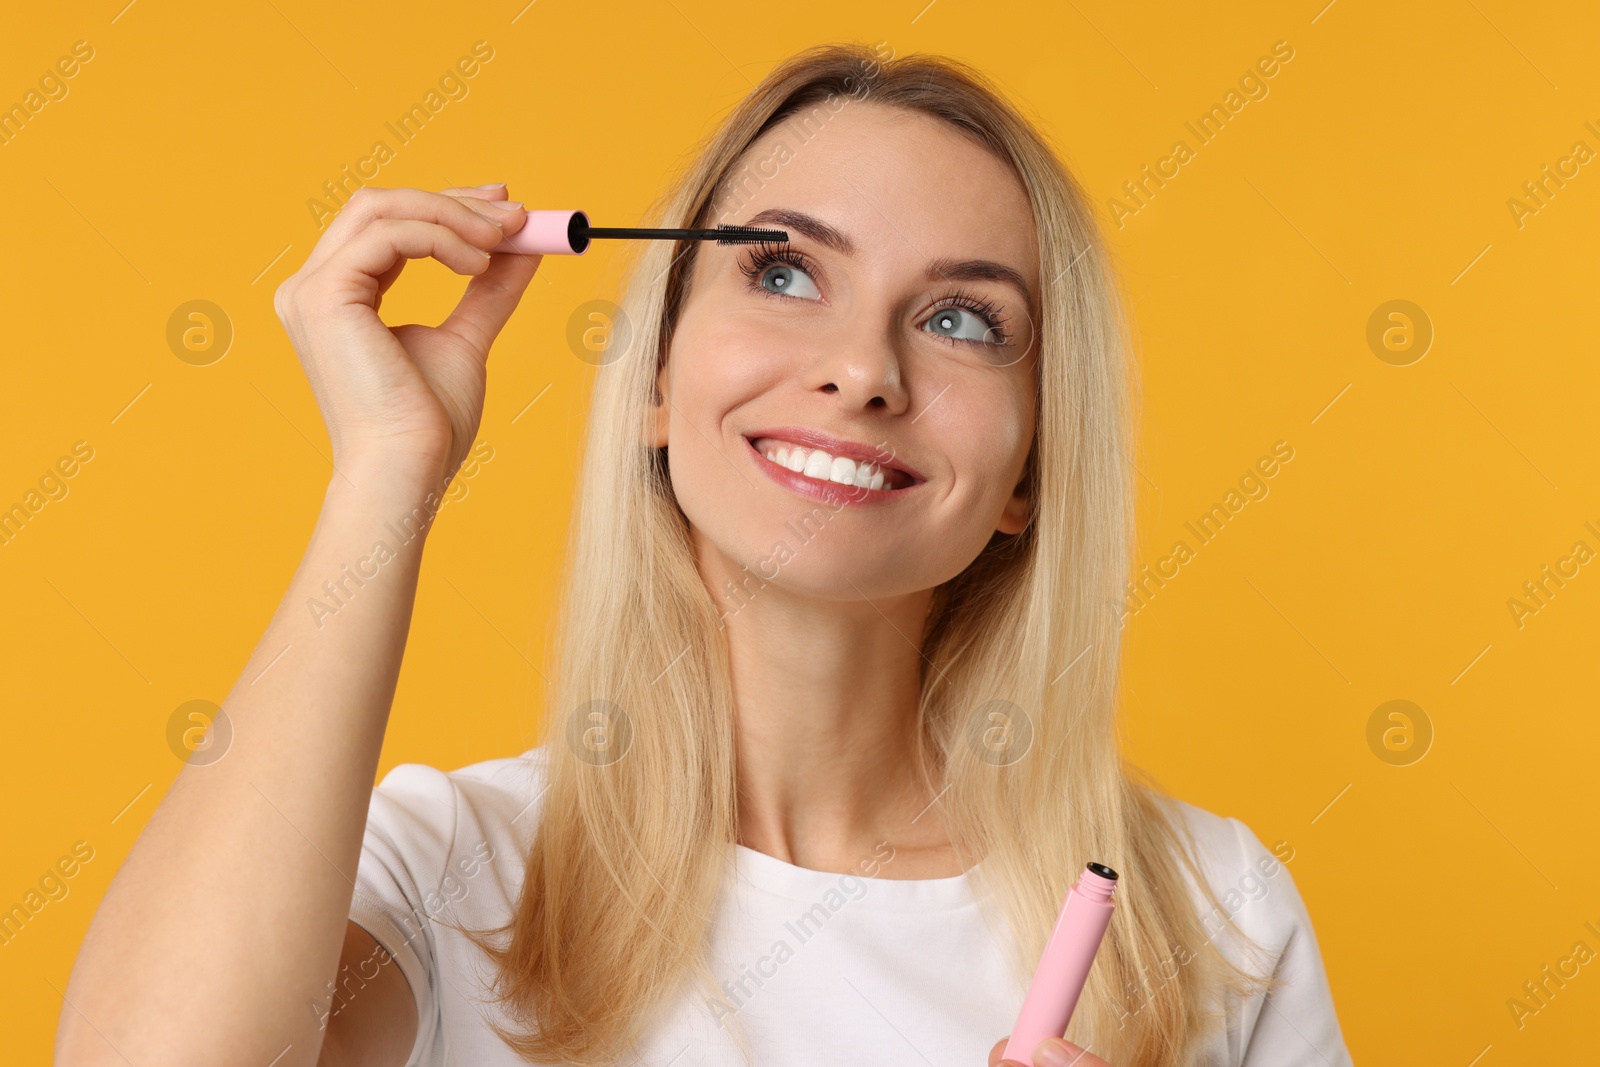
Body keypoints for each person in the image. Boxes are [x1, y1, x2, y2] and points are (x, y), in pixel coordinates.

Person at [57, 44, 1353, 1067]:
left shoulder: (1206, 913)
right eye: (785, 274)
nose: (862, 370)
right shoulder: (461, 869)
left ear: (1029, 470)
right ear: (658, 383)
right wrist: (388, 472)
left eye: (962, 317)